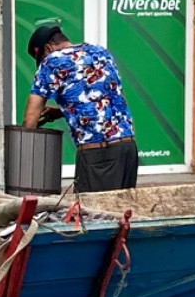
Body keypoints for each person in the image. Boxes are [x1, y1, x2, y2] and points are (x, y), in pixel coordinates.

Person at [23, 22, 139, 192]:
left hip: (99, 156)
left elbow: (29, 120)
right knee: (121, 215)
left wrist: (24, 158)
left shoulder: (51, 62)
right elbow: (100, 98)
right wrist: (61, 112)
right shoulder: (100, 52)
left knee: (92, 215)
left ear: (47, 49)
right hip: (127, 150)